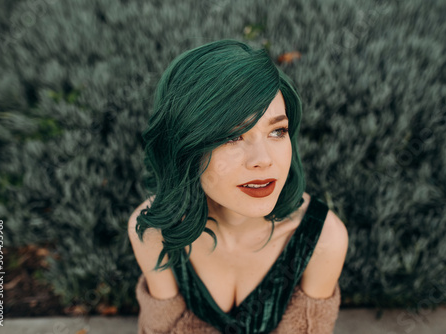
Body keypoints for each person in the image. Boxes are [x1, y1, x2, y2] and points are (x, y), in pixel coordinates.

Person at [128, 39, 349, 334]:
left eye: (277, 131)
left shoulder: (322, 240)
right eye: (232, 136)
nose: (263, 160)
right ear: (184, 148)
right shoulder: (155, 231)